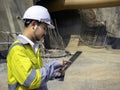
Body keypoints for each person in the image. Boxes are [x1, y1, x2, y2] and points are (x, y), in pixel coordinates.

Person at [7, 5, 69, 90]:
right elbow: (32, 80)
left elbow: (38, 73)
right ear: (34, 25)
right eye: (44, 28)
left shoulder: (33, 47)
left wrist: (56, 73)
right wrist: (53, 65)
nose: (45, 33)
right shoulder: (17, 49)